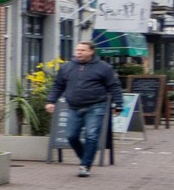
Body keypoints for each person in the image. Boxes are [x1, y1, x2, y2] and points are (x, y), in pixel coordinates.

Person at [53, 40, 124, 177]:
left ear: (91, 52)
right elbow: (58, 85)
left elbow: (114, 86)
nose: (79, 53)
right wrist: (51, 101)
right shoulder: (67, 67)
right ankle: (85, 158)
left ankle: (85, 165)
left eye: (83, 50)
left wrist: (118, 104)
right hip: (74, 106)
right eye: (78, 50)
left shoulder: (104, 67)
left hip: (96, 105)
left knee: (91, 135)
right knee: (71, 136)